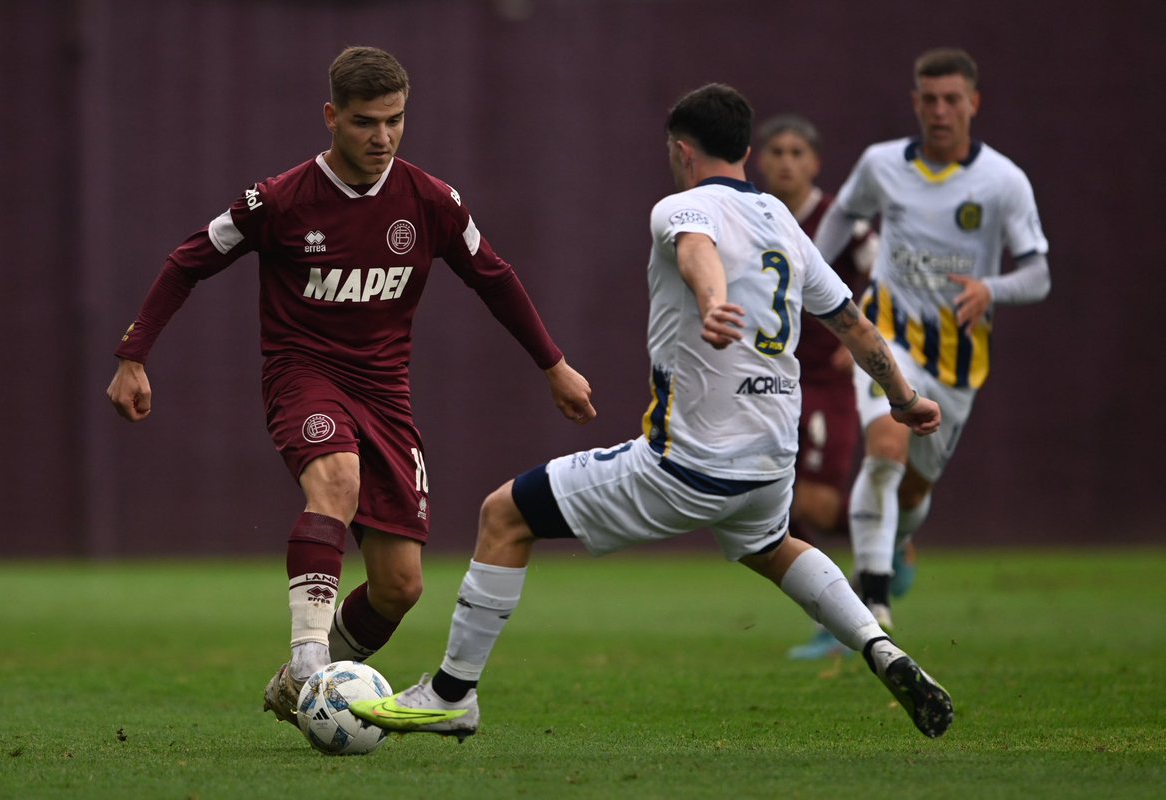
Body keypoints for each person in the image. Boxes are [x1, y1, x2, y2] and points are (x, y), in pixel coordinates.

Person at [349, 83, 954, 741]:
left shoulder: (680, 205)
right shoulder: (784, 222)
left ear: (679, 149)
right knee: (769, 545)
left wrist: (712, 299)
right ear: (747, 149)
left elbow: (696, 249)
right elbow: (853, 324)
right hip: (767, 459)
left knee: (504, 514)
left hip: (690, 462)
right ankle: (877, 645)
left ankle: (450, 694)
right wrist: (903, 399)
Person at [105, 45, 596, 729]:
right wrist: (134, 355)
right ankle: (310, 662)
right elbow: (189, 259)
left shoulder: (430, 201)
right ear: (332, 117)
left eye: (395, 120)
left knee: (399, 587)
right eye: (367, 122)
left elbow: (494, 276)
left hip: (385, 395)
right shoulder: (276, 200)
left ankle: (296, 686)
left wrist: (553, 364)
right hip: (303, 376)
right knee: (335, 480)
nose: (384, 137)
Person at [812, 48, 1051, 631]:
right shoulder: (882, 163)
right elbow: (844, 214)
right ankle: (872, 606)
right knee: (885, 452)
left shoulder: (1003, 181)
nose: (940, 111)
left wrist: (992, 289)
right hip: (886, 335)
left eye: (952, 100)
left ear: (973, 103)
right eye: (930, 100)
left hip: (956, 360)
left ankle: (894, 548)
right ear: (916, 103)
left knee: (914, 489)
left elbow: (1039, 273)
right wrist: (814, 270)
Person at [754, 115, 898, 661]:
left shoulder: (840, 221)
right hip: (767, 377)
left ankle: (881, 556)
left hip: (826, 378)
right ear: (760, 160)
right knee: (771, 492)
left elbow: (886, 273)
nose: (786, 161)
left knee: (814, 501)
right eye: (777, 151)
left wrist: (863, 331)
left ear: (814, 162)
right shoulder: (754, 214)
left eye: (797, 152)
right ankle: (846, 593)